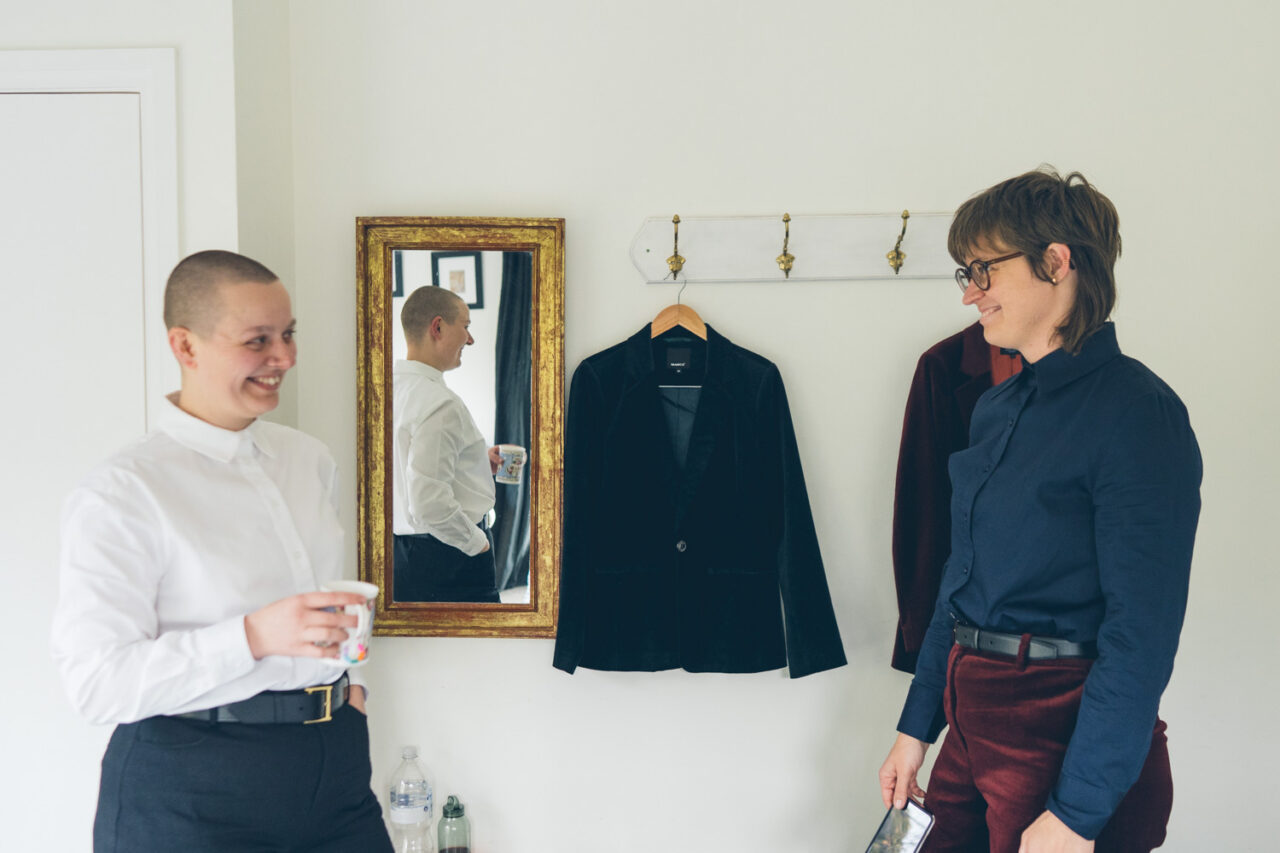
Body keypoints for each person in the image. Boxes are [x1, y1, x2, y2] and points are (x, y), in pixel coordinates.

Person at [877, 168, 1202, 852]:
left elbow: (1139, 637)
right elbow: (956, 586)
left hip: (1063, 735)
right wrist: (915, 731)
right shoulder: (995, 410)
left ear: (1056, 262)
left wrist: (1078, 813)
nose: (970, 293)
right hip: (971, 723)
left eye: (984, 271)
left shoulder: (1139, 414)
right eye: (965, 273)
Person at [51, 250, 393, 852]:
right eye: (257, 340)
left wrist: (351, 686)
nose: (284, 358)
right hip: (192, 789)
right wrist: (253, 636)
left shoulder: (308, 460)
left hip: (333, 765)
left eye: (288, 334)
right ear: (186, 347)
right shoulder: (124, 491)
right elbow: (96, 684)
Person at [392, 285, 502, 603]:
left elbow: (406, 461)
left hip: (403, 557)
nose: (470, 339)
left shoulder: (387, 387)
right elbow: (429, 503)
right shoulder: (440, 404)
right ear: (438, 327)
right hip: (449, 558)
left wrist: (474, 461)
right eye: (466, 326)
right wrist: (477, 543)